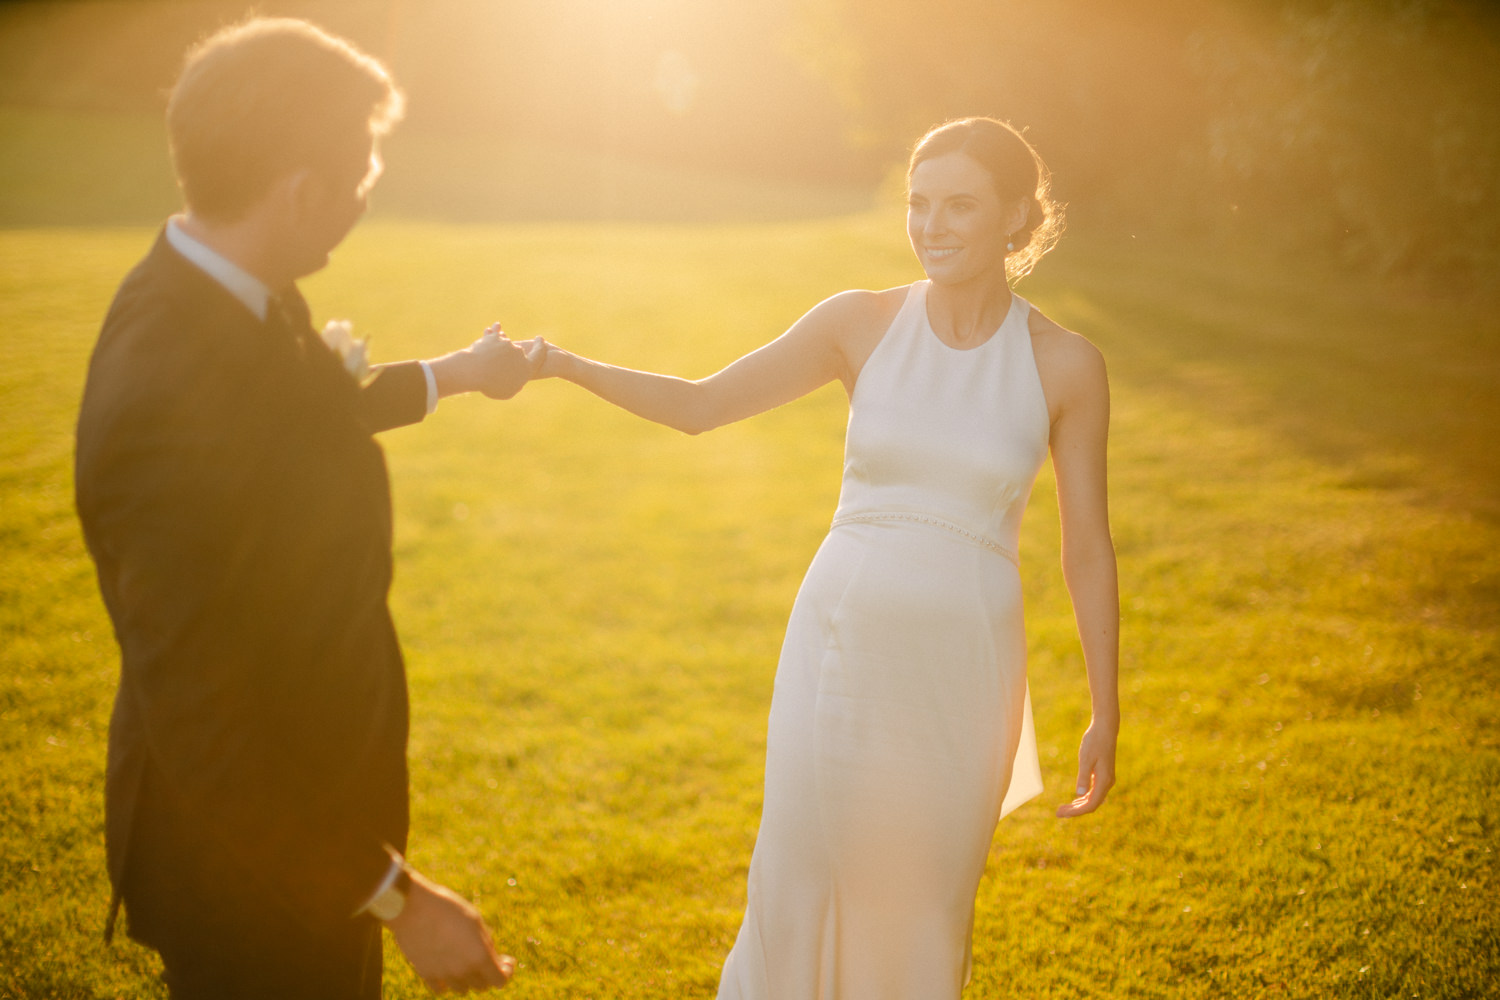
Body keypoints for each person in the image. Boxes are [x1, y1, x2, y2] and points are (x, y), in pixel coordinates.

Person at [525, 116, 1119, 998]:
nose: (932, 226)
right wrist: (564, 364)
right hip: (839, 645)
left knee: (927, 905)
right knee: (803, 879)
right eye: (918, 203)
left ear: (1015, 216)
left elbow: (1087, 549)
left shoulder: (1066, 364)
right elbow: (700, 405)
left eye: (960, 205)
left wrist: (1105, 708)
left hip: (965, 667)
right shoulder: (860, 323)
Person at [74, 18, 541, 998]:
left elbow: (301, 410)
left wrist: (458, 373)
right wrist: (394, 895)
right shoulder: (164, 386)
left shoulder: (224, 288)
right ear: (299, 193)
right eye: (362, 169)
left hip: (311, 834)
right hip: (247, 876)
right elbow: (203, 722)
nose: (369, 189)